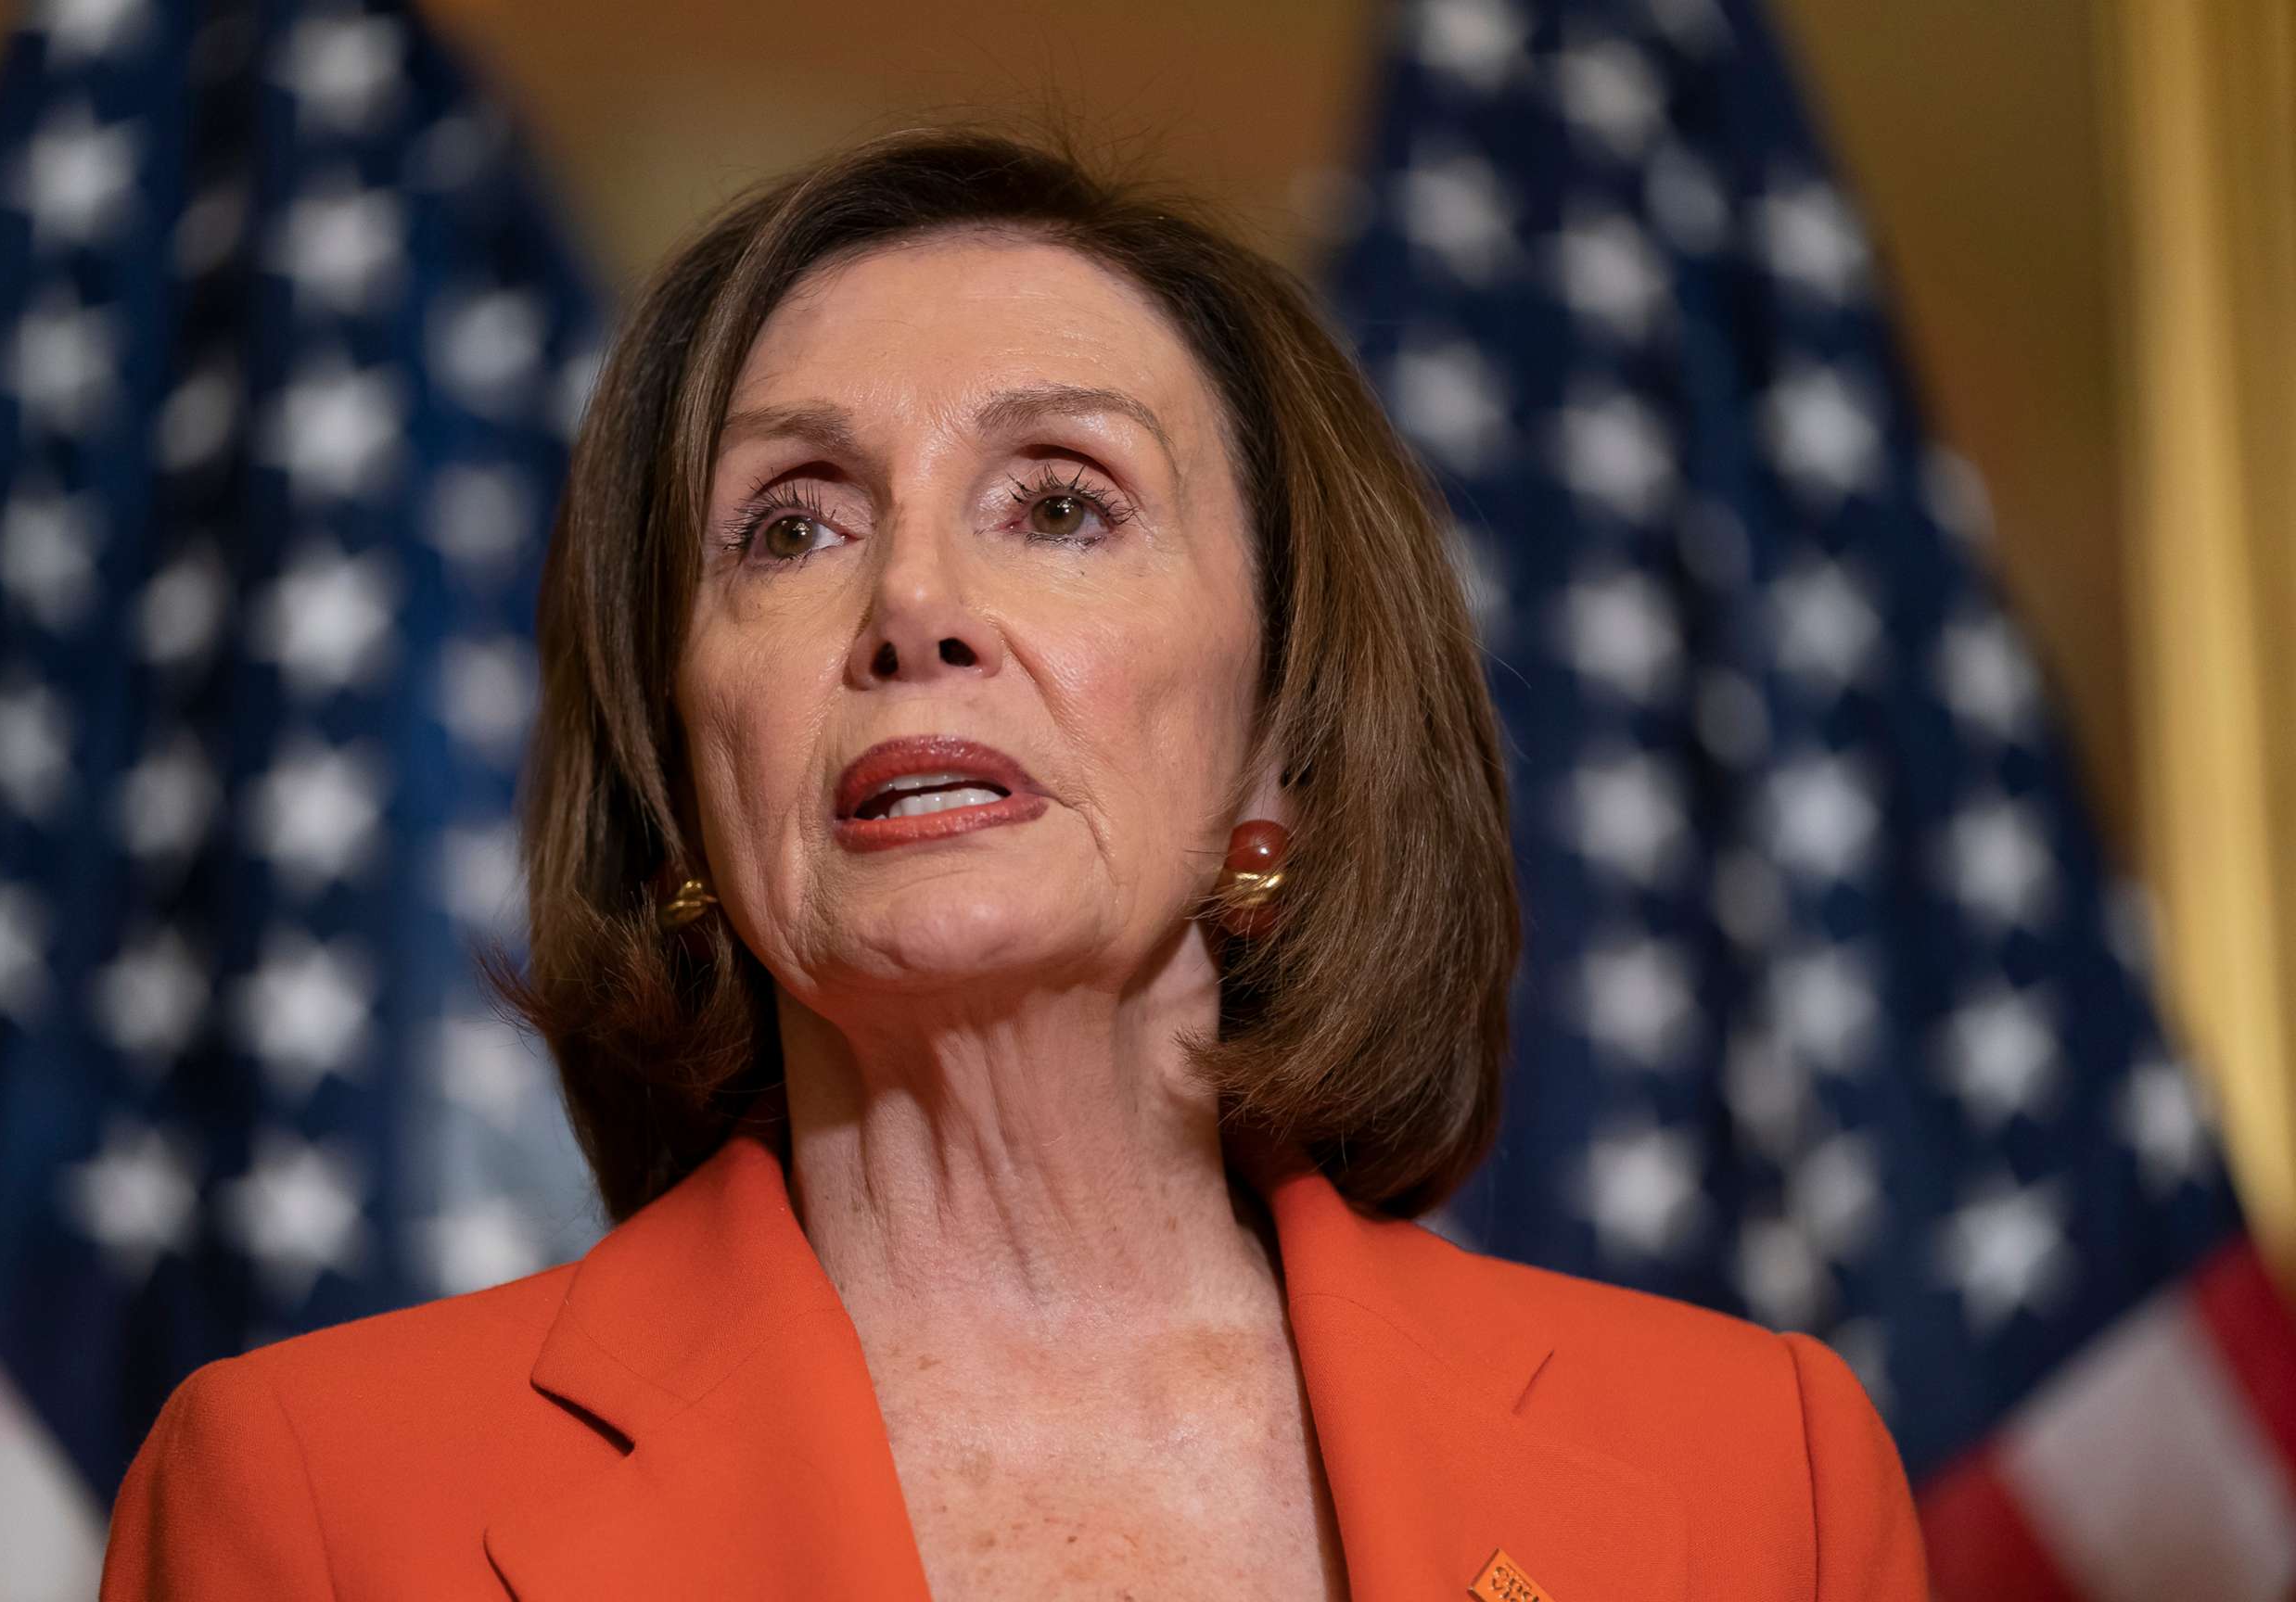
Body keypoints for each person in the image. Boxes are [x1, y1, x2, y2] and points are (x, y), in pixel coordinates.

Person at [98, 128, 1928, 1601]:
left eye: (1061, 502)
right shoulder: (321, 1506)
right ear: (679, 768)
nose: (910, 607)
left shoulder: (1751, 1473)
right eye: (789, 527)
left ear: (1279, 737)